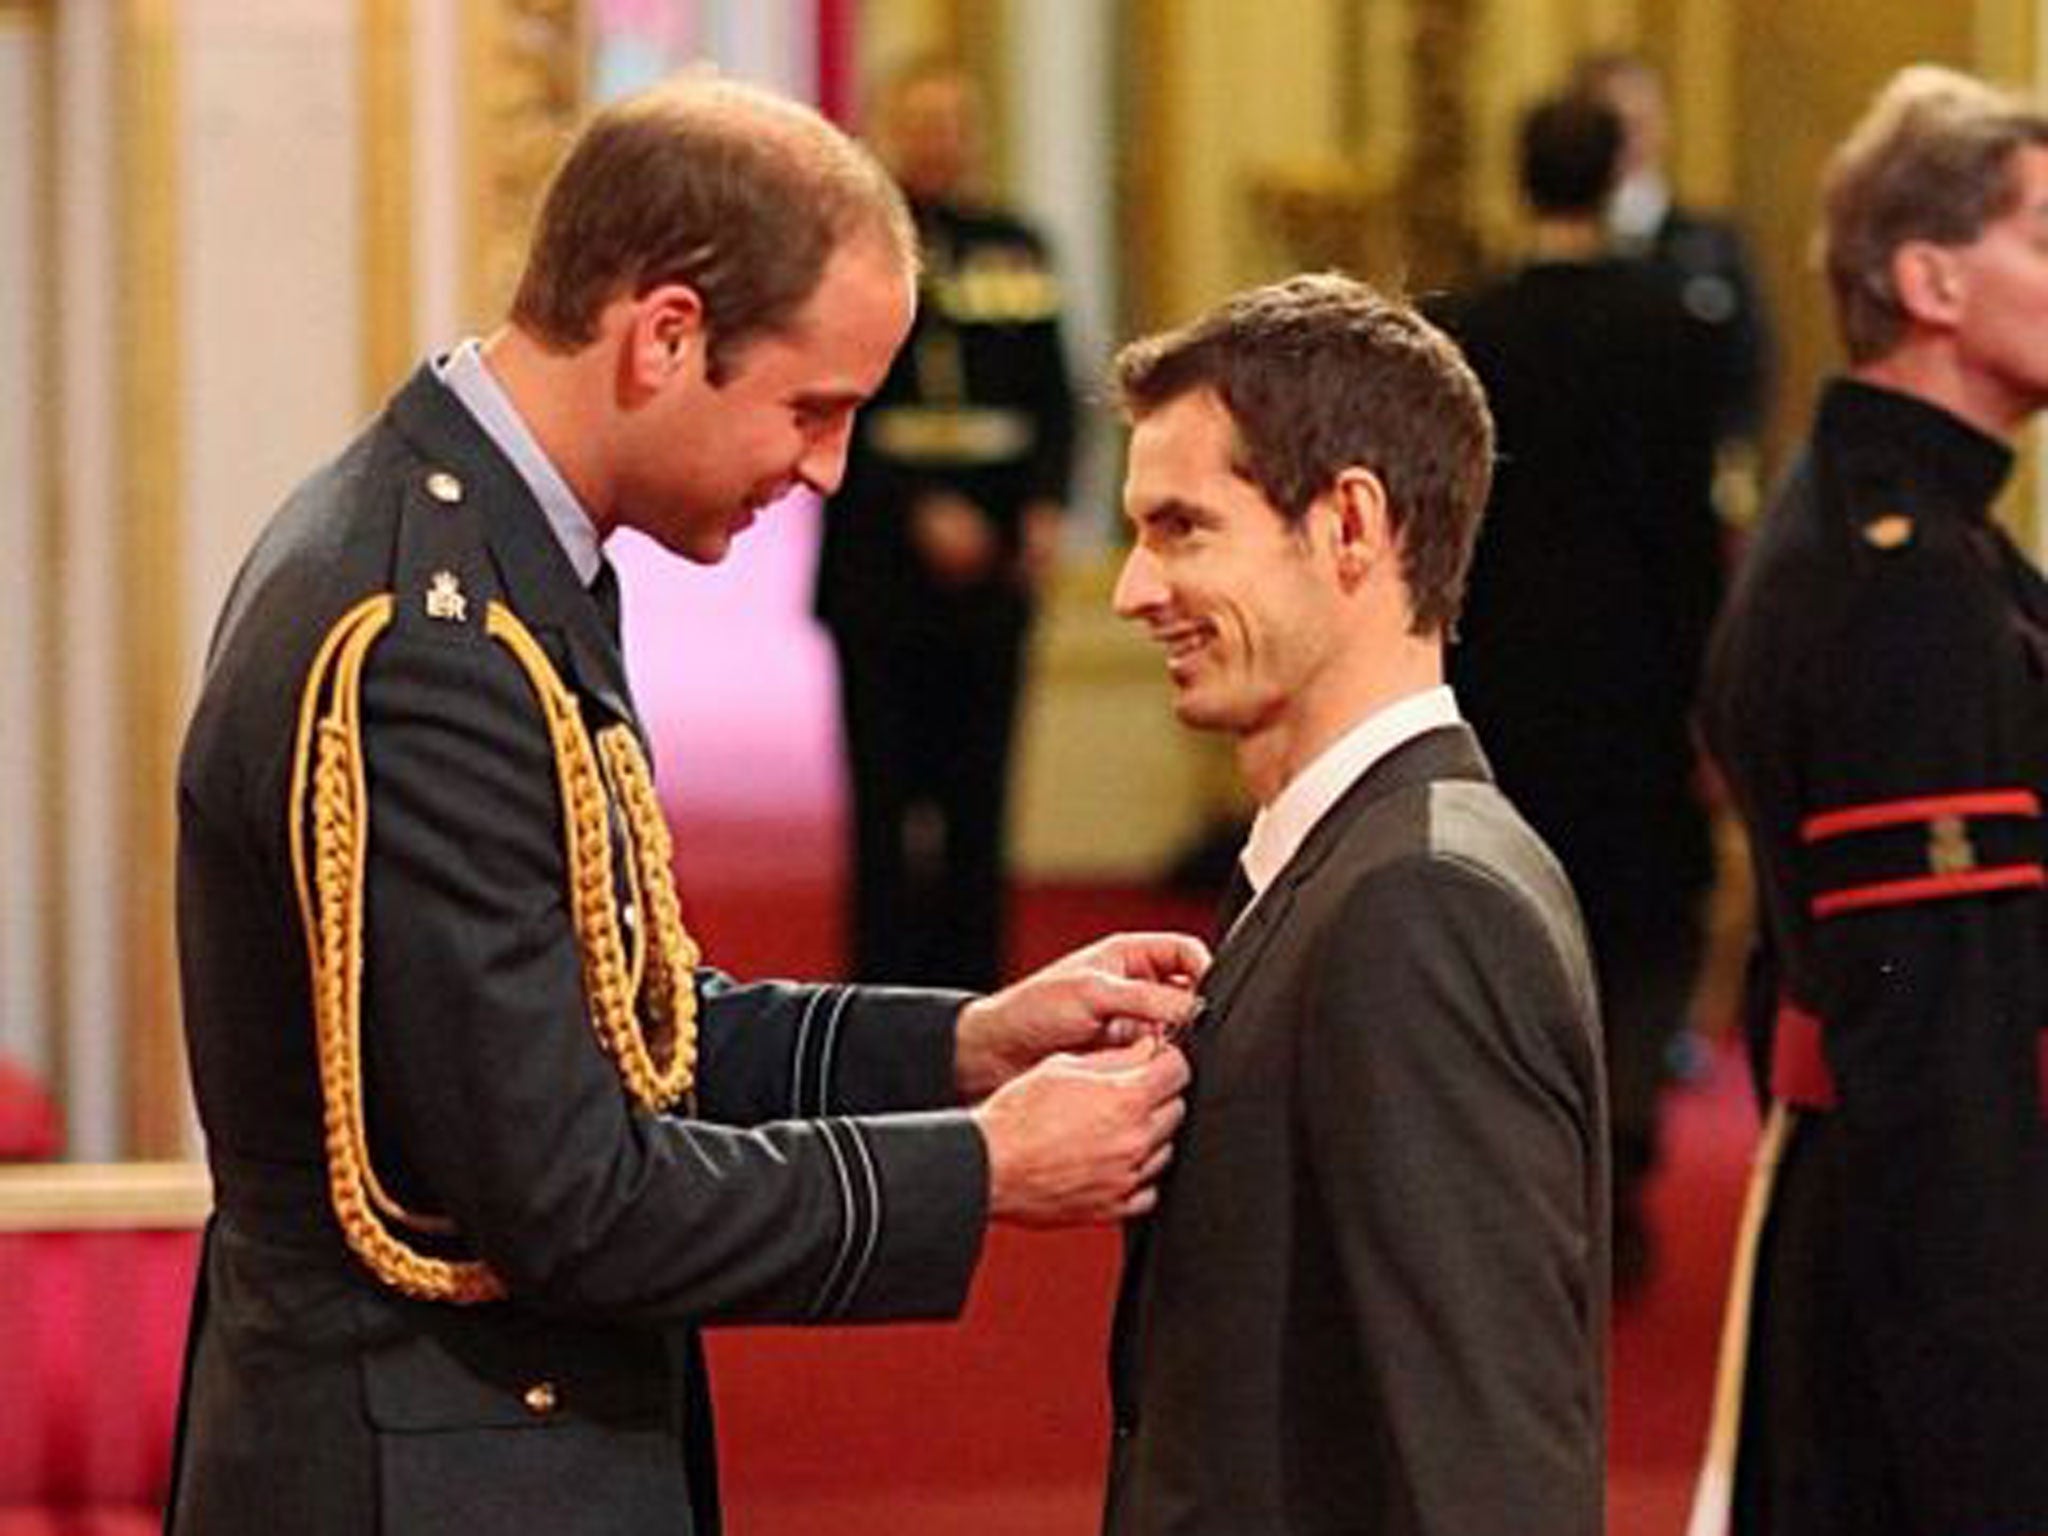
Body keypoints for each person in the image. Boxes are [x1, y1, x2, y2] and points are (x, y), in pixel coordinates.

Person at [168, 75, 1200, 1536]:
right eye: (814, 407)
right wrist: (984, 1169)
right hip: (426, 1471)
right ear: (664, 335)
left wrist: (966, 1044)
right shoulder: (426, 635)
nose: (833, 467)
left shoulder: (505, 550)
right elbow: (570, 1193)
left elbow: (634, 1022)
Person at [1101, 274, 1608, 1536]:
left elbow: (1483, 1471)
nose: (1130, 589)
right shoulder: (1352, 860)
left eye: (1180, 529)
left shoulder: (1420, 906)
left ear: (1347, 528)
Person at [1700, 65, 2048, 1536]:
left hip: (1868, 1231)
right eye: (2044, 230)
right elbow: (1938, 1054)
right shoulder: (1902, 583)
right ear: (1929, 278)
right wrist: (1999, 1438)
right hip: (1920, 1278)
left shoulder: (1900, 525)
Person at [1436, 92, 1728, 1292]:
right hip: (1638, 674)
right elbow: (1687, 528)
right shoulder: (1671, 329)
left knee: (1509, 915)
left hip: (1501, 673)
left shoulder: (1468, 327)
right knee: (1635, 922)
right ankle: (1618, 1159)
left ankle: (1520, 1173)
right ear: (1614, 178)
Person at [814, 56, 1076, 990]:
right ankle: (881, 997)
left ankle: (976, 995)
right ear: (886, 131)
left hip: (993, 578)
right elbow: (820, 404)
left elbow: (1055, 395)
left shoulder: (1017, 248)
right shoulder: (839, 250)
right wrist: (919, 507)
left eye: (953, 124)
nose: (938, 143)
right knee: (885, 807)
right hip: (883, 573)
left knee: (978, 803)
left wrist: (1046, 507)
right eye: (919, 124)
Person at [1573, 50, 1774, 449]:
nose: (1629, 141)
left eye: (1640, 124)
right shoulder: (1562, 255)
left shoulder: (1713, 246)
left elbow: (1748, 370)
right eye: (1614, 127)